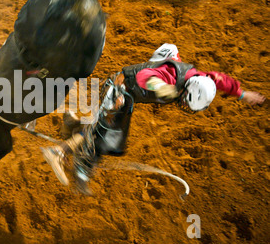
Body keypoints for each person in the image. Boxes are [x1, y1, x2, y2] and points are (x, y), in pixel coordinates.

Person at [41, 43, 266, 195]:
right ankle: (59, 153)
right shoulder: (171, 77)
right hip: (121, 90)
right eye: (186, 101)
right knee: (106, 134)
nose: (184, 105)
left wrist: (244, 95)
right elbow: (143, 76)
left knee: (109, 134)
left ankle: (71, 124)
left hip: (127, 95)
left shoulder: (199, 79)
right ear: (187, 90)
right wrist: (161, 87)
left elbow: (219, 79)